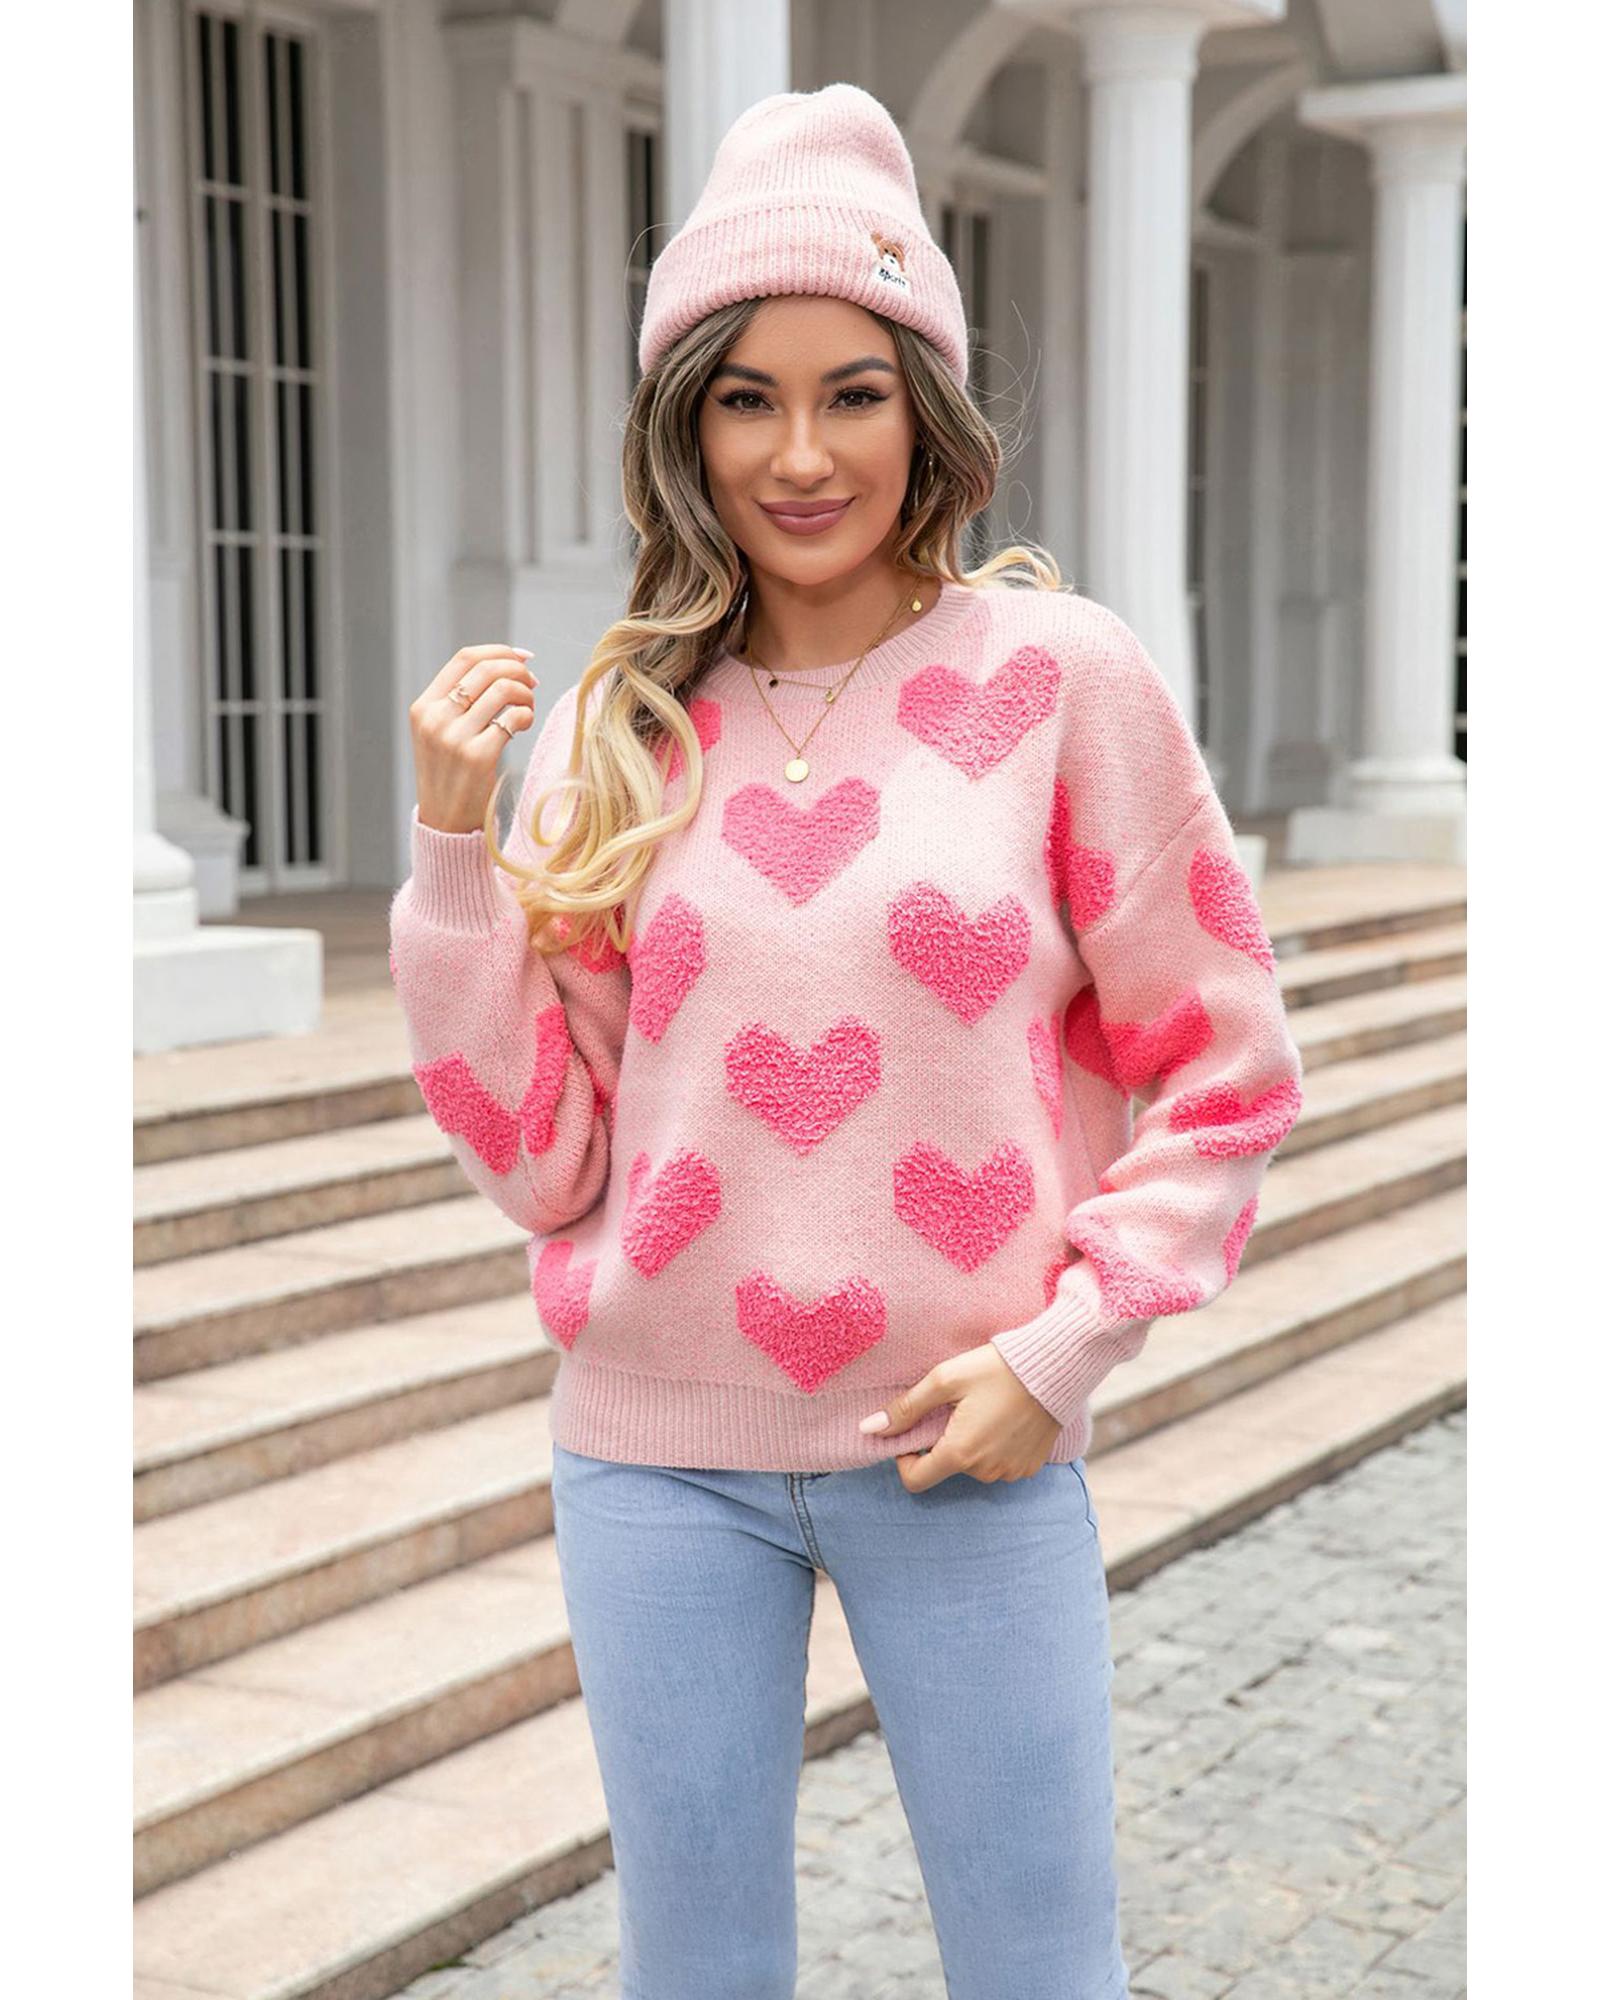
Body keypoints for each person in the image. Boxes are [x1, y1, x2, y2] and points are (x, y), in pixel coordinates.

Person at [389, 80, 1304, 2000]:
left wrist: (1063, 1349)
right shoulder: (620, 728)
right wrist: (456, 865)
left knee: (1040, 1971)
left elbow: (1226, 1071)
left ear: (928, 414)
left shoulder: (1063, 684)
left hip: (966, 1450)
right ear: (685, 425)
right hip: (651, 1463)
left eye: (854, 393)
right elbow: (543, 1165)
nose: (800, 454)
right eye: (746, 397)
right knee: (698, 1972)